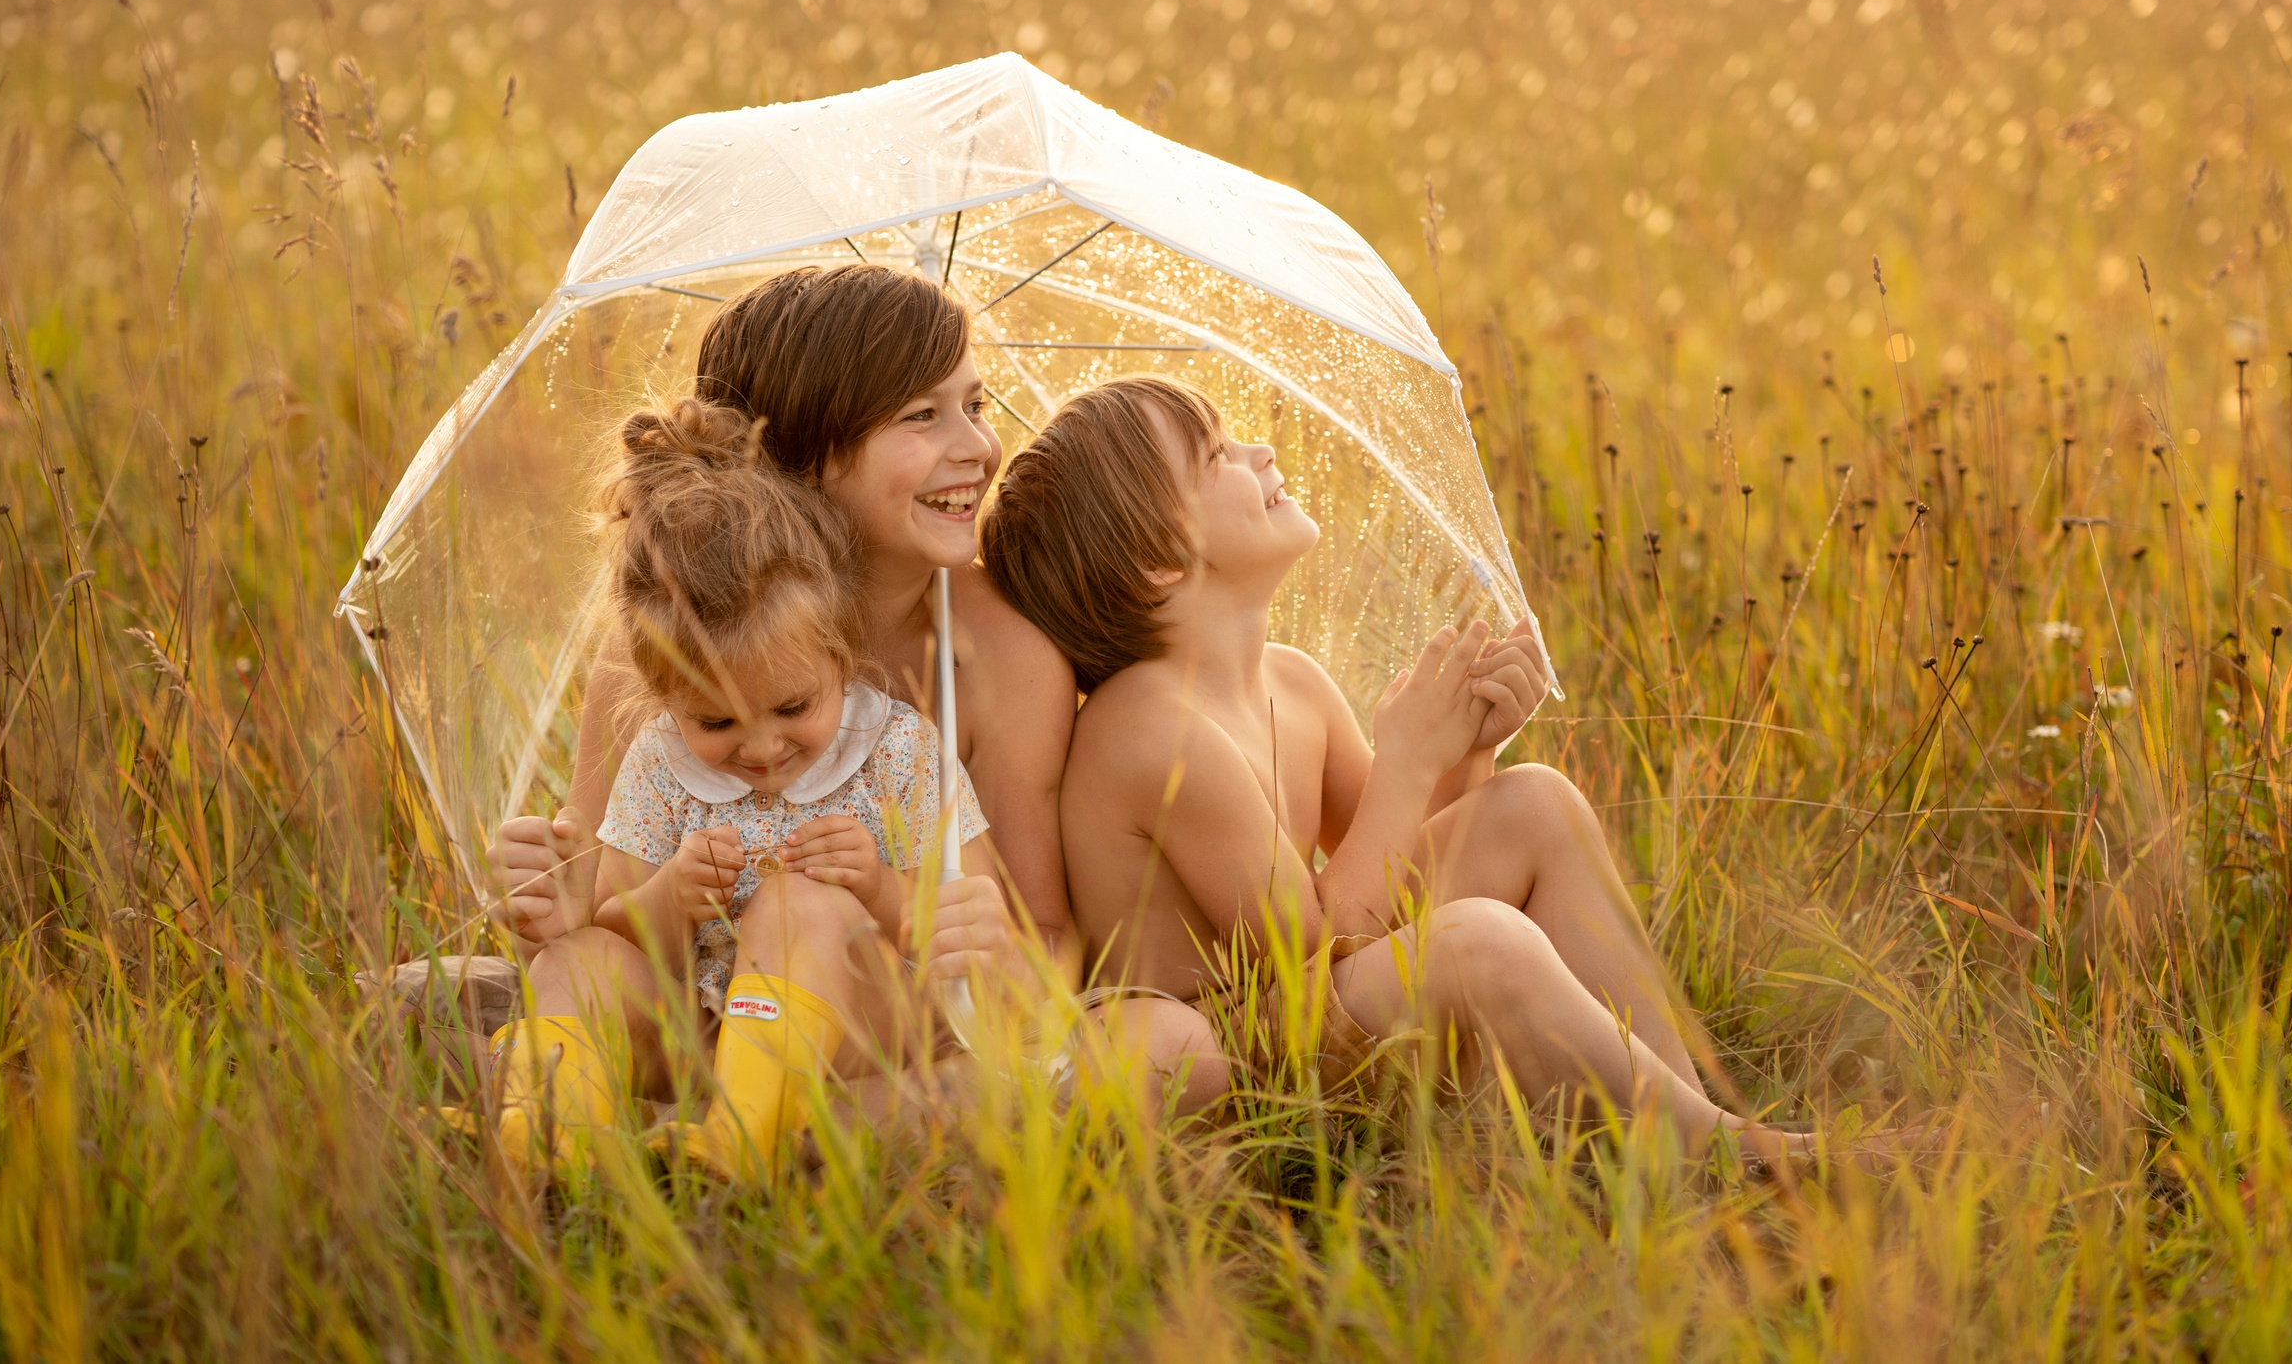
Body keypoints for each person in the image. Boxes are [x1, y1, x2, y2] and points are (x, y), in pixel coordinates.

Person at [980, 377, 1839, 1159]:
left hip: (1315, 1014)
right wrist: (1406, 759)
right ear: (1158, 558)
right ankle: (1739, 1155)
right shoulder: (1147, 727)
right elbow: (1317, 943)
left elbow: (1394, 873)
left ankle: (1691, 1110)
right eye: (1218, 456)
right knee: (1477, 939)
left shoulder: (1291, 679)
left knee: (1532, 802)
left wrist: (1470, 748)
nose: (1261, 452)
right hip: (1238, 1063)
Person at [485, 265, 1225, 1114]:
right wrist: (549, 895)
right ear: (801, 456)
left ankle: (771, 1136)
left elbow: (1045, 950)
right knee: (559, 973)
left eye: (975, 406)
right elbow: (601, 907)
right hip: (695, 1020)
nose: (979, 447)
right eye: (922, 415)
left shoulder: (1005, 660)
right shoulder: (662, 647)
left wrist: (987, 933)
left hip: (894, 1034)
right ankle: (676, 1122)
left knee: (1171, 1055)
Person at [483, 398, 1020, 1179]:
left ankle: (742, 1144)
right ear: (665, 698)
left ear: (842, 654)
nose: (762, 746)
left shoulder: (898, 751)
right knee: (575, 959)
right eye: (715, 721)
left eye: (794, 707)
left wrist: (875, 884)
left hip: (858, 1036)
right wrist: (673, 894)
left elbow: (962, 935)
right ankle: (546, 1136)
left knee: (798, 905)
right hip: (706, 1037)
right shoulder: (664, 765)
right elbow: (634, 939)